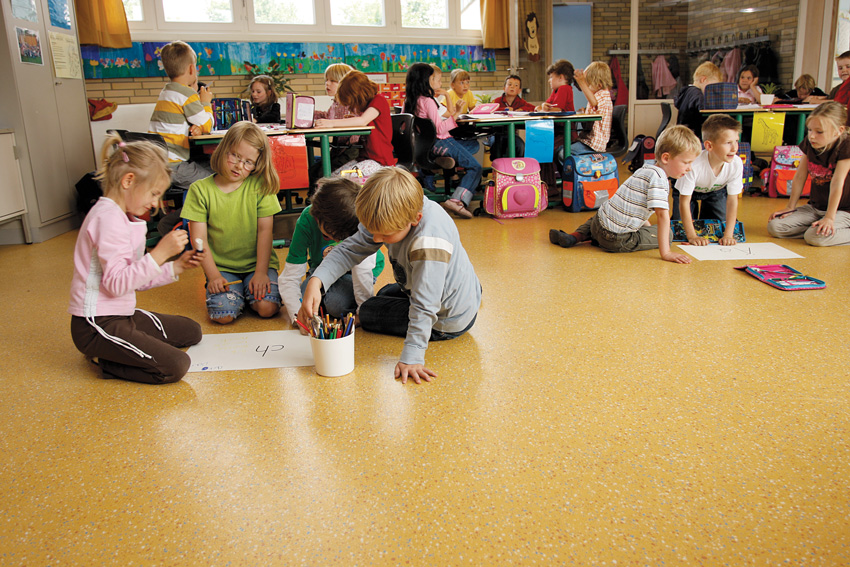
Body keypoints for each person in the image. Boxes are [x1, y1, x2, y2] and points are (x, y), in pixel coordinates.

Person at [297, 168, 482, 385]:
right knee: (385, 292)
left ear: (415, 219)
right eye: (372, 230)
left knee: (368, 310)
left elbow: (424, 305)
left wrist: (412, 356)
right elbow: (350, 250)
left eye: (384, 234)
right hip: (453, 293)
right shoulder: (401, 205)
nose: (375, 239)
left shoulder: (428, 243)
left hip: (445, 320)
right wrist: (316, 281)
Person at [69, 134, 204, 385]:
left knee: (192, 331)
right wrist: (159, 254)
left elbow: (136, 281)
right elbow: (117, 284)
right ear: (128, 181)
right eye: (153, 194)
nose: (155, 204)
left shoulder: (127, 217)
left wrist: (174, 266)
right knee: (176, 366)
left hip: (122, 313)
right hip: (95, 323)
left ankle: (124, 345)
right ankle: (106, 360)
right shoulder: (107, 219)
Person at [548, 125, 700, 264]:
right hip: (615, 239)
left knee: (600, 217)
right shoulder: (660, 179)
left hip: (598, 223)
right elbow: (662, 217)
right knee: (669, 235)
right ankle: (593, 239)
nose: (689, 168)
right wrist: (666, 252)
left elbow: (635, 208)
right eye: (686, 162)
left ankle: (576, 236)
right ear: (666, 158)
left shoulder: (644, 170)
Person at [181, 121, 283, 324]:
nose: (239, 166)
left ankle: (246, 292)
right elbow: (198, 239)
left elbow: (265, 232)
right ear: (223, 149)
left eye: (248, 162)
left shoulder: (260, 186)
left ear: (257, 165)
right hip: (221, 268)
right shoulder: (199, 190)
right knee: (224, 315)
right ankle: (240, 294)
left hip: (258, 265)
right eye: (235, 156)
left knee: (266, 308)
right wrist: (214, 276)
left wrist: (261, 273)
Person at [278, 177, 384, 327]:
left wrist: (362, 312)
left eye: (341, 238)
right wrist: (297, 317)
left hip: (356, 272)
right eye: (327, 235)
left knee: (335, 304)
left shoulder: (358, 221)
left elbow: (362, 271)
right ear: (317, 216)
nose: (334, 240)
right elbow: (290, 276)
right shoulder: (307, 220)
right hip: (320, 269)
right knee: (305, 299)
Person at [404, 62, 482, 219]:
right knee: (476, 167)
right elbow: (439, 130)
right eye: (437, 80)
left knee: (472, 144)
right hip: (441, 143)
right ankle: (457, 200)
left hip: (425, 147)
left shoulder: (410, 100)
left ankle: (436, 163)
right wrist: (456, 116)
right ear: (427, 81)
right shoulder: (428, 101)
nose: (440, 83)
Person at [767, 101, 850, 246]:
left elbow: (838, 182)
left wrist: (830, 217)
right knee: (775, 227)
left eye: (819, 132)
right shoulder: (810, 143)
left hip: (842, 211)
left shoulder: (846, 146)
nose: (812, 136)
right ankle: (820, 227)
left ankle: (826, 228)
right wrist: (790, 207)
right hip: (816, 208)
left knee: (815, 238)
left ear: (839, 130)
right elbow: (800, 175)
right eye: (810, 130)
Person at [148, 40, 214, 191]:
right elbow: (207, 125)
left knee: (212, 168)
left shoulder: (166, 91)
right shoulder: (186, 94)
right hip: (174, 167)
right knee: (219, 180)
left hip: (158, 164)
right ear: (192, 69)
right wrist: (205, 102)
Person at [673, 114, 743, 245]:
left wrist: (728, 234)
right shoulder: (694, 164)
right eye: (728, 143)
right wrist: (692, 236)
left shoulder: (736, 163)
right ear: (709, 146)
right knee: (679, 229)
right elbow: (684, 201)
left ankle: (708, 212)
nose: (734, 148)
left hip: (716, 191)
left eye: (736, 141)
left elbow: (732, 200)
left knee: (717, 227)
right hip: (689, 193)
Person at [314, 70, 397, 179]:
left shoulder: (379, 100)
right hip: (365, 158)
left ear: (358, 95)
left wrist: (331, 123)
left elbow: (362, 121)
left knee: (340, 179)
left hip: (379, 162)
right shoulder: (369, 105)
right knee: (332, 177)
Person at [308, 63, 359, 193]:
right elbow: (328, 116)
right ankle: (312, 201)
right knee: (313, 170)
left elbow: (337, 121)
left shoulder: (349, 103)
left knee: (321, 172)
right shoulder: (336, 103)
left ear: (344, 83)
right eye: (326, 80)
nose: (327, 84)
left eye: (332, 81)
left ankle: (319, 200)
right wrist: (309, 112)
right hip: (339, 149)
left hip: (350, 150)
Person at [571, 61, 614, 155]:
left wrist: (582, 83)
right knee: (561, 150)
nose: (587, 88)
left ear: (599, 85)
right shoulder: (598, 95)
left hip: (594, 145)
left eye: (588, 85)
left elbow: (594, 103)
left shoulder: (603, 96)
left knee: (564, 153)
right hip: (587, 141)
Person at [490, 75, 535, 160]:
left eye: (516, 85)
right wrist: (504, 109)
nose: (512, 87)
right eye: (509, 84)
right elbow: (491, 109)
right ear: (504, 88)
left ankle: (517, 168)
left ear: (519, 91)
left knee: (520, 145)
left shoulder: (521, 102)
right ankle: (498, 168)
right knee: (496, 145)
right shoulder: (497, 101)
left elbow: (533, 108)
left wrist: (522, 109)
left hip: (512, 134)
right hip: (496, 133)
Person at [674, 61, 722, 136]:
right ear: (703, 80)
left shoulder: (687, 91)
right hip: (693, 135)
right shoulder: (696, 93)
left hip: (684, 133)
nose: (713, 90)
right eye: (713, 86)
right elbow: (703, 109)